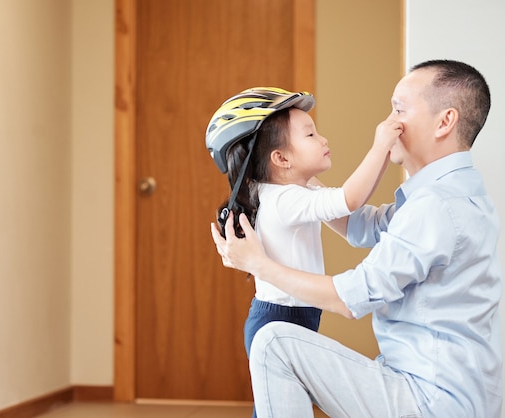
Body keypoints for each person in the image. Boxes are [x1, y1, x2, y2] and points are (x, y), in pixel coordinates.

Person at [211, 59, 503, 418]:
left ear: (445, 122)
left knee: (272, 341)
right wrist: (296, 178)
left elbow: (352, 298)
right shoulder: (447, 195)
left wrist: (257, 264)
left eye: (399, 109)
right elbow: (365, 227)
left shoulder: (437, 206)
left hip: (432, 400)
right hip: (448, 390)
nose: (386, 124)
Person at [205, 87, 401, 417]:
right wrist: (381, 145)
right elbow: (351, 198)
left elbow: (350, 212)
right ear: (281, 159)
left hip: (288, 316)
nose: (323, 140)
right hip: (279, 317)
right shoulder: (286, 200)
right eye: (310, 134)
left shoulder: (294, 189)